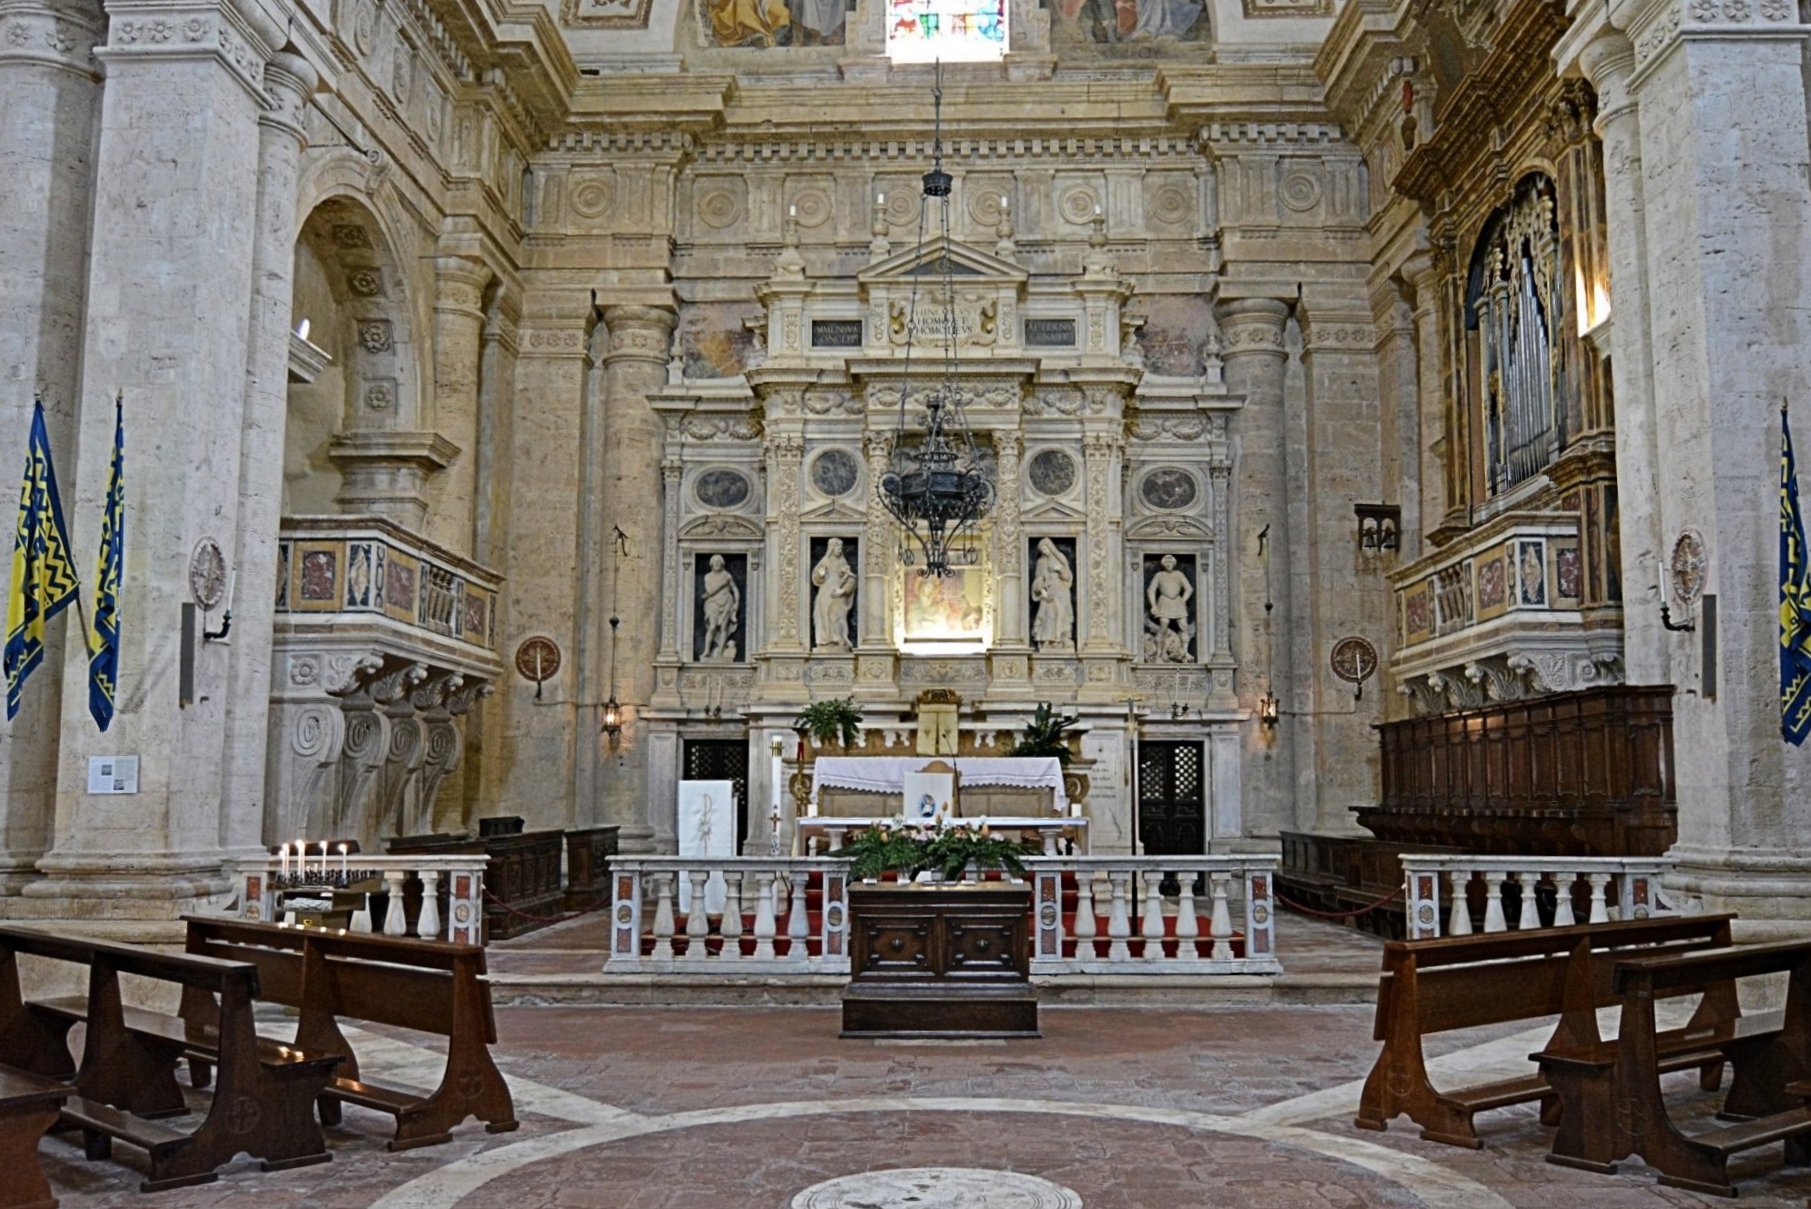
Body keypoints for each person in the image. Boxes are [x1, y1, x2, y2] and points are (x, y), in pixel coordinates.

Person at [811, 538, 856, 651]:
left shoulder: (843, 563)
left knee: (837, 617)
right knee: (823, 615)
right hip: (825, 595)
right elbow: (816, 579)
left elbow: (851, 580)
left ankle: (839, 639)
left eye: (840, 548)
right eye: (837, 548)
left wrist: (843, 591)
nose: (839, 550)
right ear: (831, 549)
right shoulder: (824, 562)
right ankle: (824, 641)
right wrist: (820, 574)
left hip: (838, 596)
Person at [1147, 554, 1193, 661]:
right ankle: (1159, 654)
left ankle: (1185, 652)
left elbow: (1189, 588)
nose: (1168, 565)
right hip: (1164, 601)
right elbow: (1151, 590)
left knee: (1184, 626)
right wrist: (1153, 605)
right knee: (1163, 627)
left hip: (1177, 602)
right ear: (1163, 564)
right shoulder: (1159, 575)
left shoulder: (1179, 574)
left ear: (1174, 564)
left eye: (1170, 563)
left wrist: (1183, 600)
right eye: (1166, 563)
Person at [1030, 539, 1074, 651]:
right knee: (1049, 615)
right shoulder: (1041, 562)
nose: (1044, 552)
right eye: (1042, 550)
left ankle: (1061, 639)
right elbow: (1038, 579)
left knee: (1062, 615)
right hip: (1049, 592)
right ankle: (1048, 640)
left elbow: (1068, 576)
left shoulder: (1060, 557)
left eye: (1045, 548)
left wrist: (1059, 569)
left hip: (1062, 591)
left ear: (1050, 547)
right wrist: (1040, 589)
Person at [699, 554, 740, 661]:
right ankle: (707, 651)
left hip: (727, 602)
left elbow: (735, 590)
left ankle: (720, 653)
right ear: (711, 564)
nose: (717, 564)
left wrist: (736, 603)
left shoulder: (727, 575)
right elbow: (710, 591)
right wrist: (723, 584)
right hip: (712, 603)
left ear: (722, 564)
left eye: (719, 562)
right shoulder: (707, 577)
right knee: (712, 627)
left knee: (723, 628)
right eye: (715, 562)